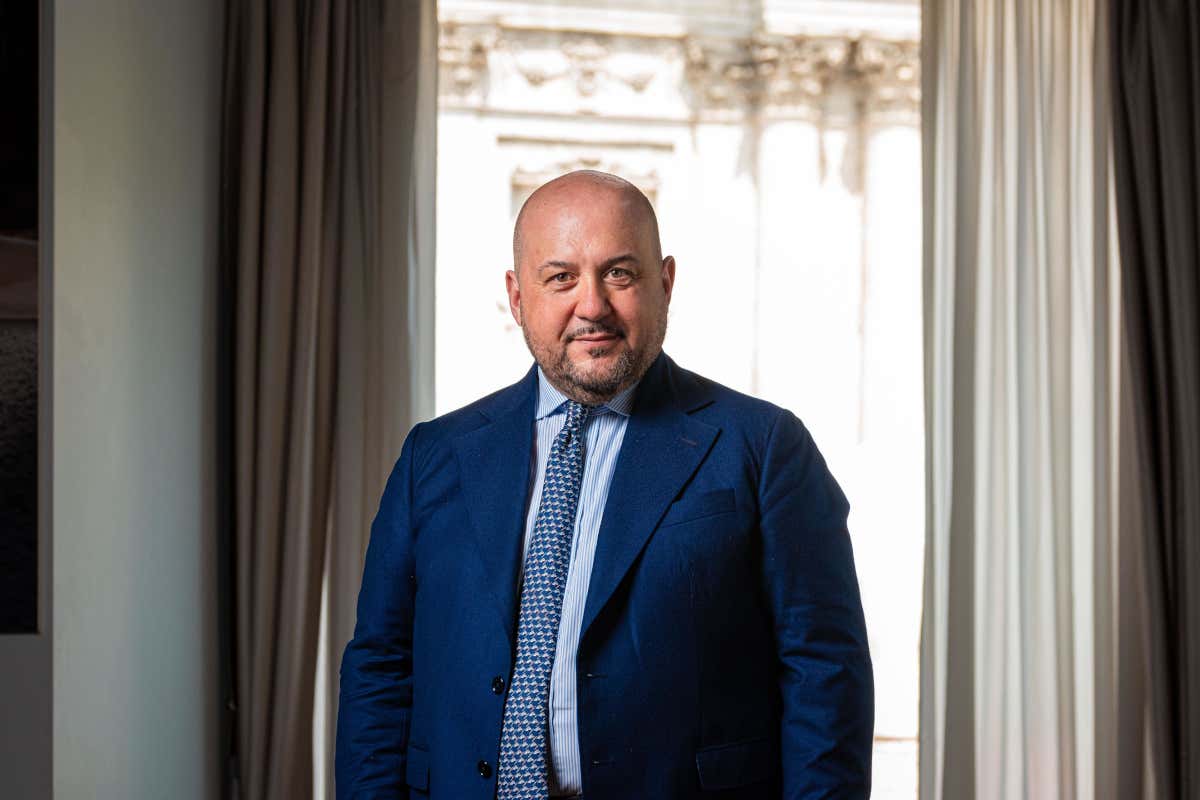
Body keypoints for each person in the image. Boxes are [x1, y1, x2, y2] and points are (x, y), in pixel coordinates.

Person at [335, 170, 874, 799]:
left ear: (665, 284)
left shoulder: (765, 447)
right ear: (517, 296)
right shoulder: (435, 454)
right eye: (560, 277)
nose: (591, 306)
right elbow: (381, 667)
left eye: (619, 273)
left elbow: (824, 675)